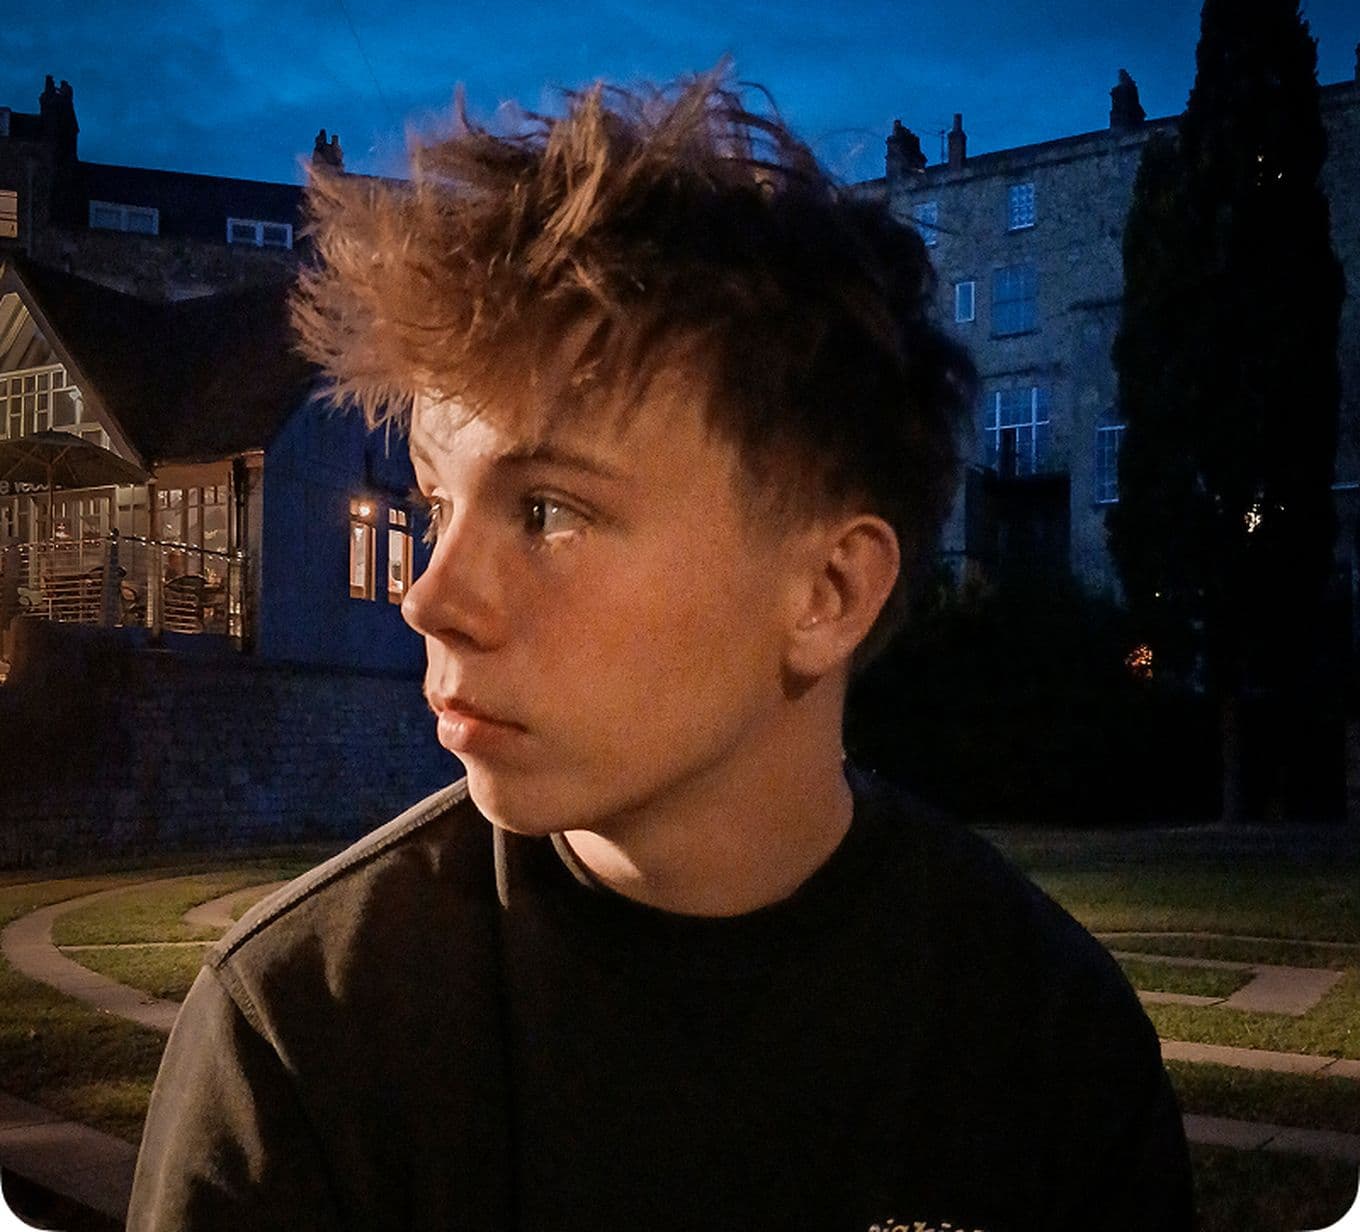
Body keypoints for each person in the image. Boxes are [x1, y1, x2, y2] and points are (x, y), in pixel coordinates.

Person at [127, 68, 1194, 1231]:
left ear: (827, 590)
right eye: (438, 505)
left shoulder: (1049, 1053)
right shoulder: (298, 1043)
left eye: (548, 512)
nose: (429, 597)